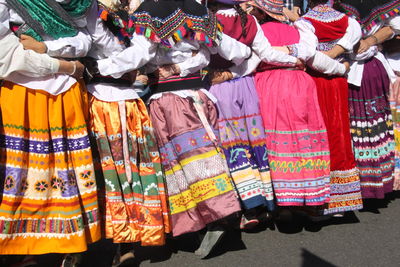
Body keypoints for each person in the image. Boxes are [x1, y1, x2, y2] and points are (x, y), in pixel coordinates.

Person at [94, 0, 254, 258]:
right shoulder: (197, 11)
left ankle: (214, 218)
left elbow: (142, 53)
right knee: (203, 156)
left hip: (169, 102)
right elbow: (224, 51)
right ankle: (212, 219)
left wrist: (102, 68)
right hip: (200, 96)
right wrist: (192, 63)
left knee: (184, 163)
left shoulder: (153, 12)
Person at [0, 0, 100, 257]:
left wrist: (48, 48)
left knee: (65, 172)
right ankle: (21, 248)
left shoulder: (83, 3)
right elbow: (8, 58)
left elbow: (88, 40)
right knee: (22, 174)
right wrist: (68, 65)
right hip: (23, 91)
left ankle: (67, 244)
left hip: (65, 90)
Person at [83, 0, 170, 265]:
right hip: (99, 101)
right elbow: (100, 39)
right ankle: (96, 243)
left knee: (123, 172)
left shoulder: (129, 19)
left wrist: (100, 68)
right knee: (100, 173)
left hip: (117, 102)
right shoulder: (91, 12)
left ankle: (123, 241)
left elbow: (142, 52)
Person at [243, 0, 341, 216]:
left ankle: (285, 200)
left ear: (260, 11)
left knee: (277, 140)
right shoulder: (298, 30)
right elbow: (313, 56)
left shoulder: (257, 31)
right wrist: (341, 69)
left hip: (270, 85)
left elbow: (251, 60)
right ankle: (311, 196)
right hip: (300, 85)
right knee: (303, 138)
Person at [336, 0, 400, 199]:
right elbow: (395, 25)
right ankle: (375, 180)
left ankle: (365, 182)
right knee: (372, 125)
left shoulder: (340, 5)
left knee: (361, 125)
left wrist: (369, 41)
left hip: (355, 68)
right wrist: (373, 40)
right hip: (367, 68)